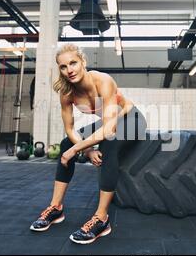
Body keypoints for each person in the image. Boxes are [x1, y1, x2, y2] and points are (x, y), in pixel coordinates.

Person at [30, 43, 147, 244]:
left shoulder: (103, 80)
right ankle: (56, 208)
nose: (70, 70)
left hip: (132, 118)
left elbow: (109, 129)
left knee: (108, 143)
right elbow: (70, 129)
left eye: (73, 63)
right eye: (63, 67)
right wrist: (88, 149)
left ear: (83, 62)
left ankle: (102, 219)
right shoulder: (66, 93)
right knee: (67, 143)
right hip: (109, 121)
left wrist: (80, 148)